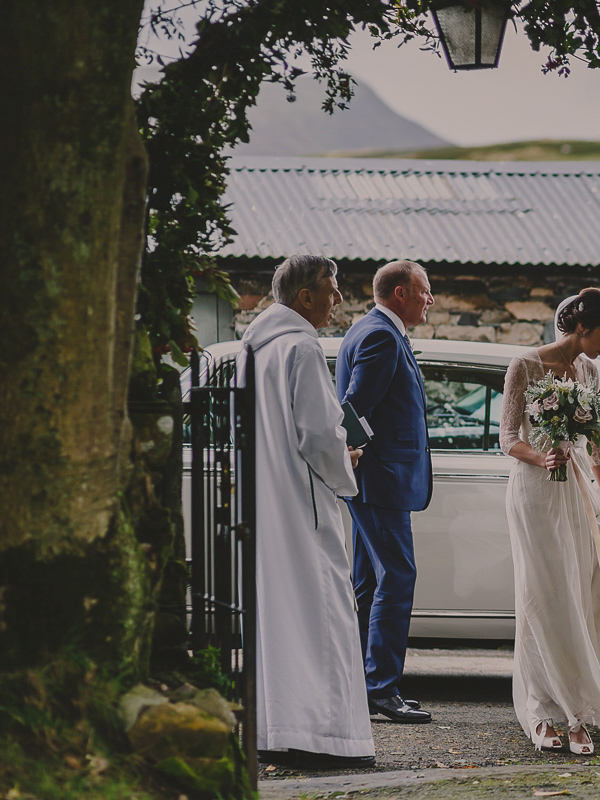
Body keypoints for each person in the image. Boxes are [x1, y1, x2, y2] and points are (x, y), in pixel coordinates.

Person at [238, 254, 376, 769]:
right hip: (303, 500)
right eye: (331, 287)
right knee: (324, 615)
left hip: (268, 496)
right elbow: (319, 434)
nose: (339, 297)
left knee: (280, 618)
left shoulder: (257, 348)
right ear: (305, 297)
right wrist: (348, 459)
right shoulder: (299, 348)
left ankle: (277, 728)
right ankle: (326, 736)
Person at [500, 287, 600, 755]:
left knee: (580, 597)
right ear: (581, 327)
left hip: (579, 491)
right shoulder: (524, 365)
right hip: (536, 491)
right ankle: (542, 709)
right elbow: (507, 438)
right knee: (544, 595)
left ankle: (577, 708)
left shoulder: (588, 369)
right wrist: (540, 456)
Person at [336, 260, 435, 724]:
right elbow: (354, 406)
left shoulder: (373, 329)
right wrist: (354, 452)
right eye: (424, 291)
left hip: (377, 478)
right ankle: (380, 689)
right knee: (398, 578)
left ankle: (362, 684)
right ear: (400, 293)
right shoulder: (379, 334)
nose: (430, 299)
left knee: (370, 582)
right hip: (380, 480)